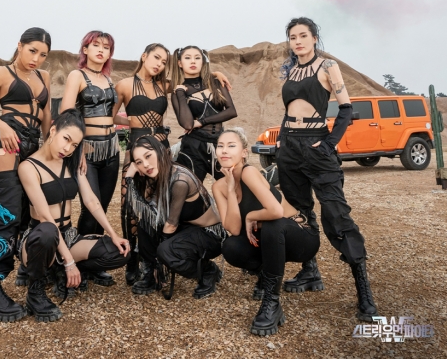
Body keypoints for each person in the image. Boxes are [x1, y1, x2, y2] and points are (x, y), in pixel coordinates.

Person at [276, 17, 378, 321]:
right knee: (298, 212)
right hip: (289, 147)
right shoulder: (290, 70)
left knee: (336, 214)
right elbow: (289, 110)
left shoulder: (327, 66)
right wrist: (282, 141)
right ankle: (310, 271)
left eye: (303, 35)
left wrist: (330, 143)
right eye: (293, 37)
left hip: (317, 146)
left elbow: (346, 109)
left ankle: (364, 292)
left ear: (314, 38)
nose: (297, 41)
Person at [113, 44, 232, 285]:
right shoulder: (124, 84)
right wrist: (131, 122)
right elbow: (110, 115)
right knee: (131, 206)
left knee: (160, 201)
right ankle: (134, 262)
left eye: (163, 61)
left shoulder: (165, 85)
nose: (159, 64)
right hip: (137, 144)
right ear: (144, 56)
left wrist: (215, 73)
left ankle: (158, 261)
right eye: (156, 58)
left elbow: (192, 76)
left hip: (161, 146)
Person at [17, 109, 130, 322]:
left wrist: (113, 234)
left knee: (119, 252)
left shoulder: (71, 162)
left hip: (68, 235)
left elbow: (91, 201)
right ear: (53, 131)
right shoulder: (28, 167)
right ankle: (35, 292)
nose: (68, 149)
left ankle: (59, 271)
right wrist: (69, 262)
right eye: (66, 139)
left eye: (75, 145)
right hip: (39, 239)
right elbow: (45, 216)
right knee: (47, 232)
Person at [212, 128, 321, 336]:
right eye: (220, 146)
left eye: (231, 146)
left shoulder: (249, 172)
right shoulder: (219, 187)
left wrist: (250, 216)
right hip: (270, 242)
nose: (224, 151)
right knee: (231, 246)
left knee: (273, 224)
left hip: (301, 237)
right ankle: (265, 274)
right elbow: (233, 229)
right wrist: (230, 189)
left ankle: (272, 301)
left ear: (244, 152)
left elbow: (276, 211)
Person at [0, 27, 52, 322]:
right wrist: (3, 126)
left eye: (42, 54)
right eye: (32, 51)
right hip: (4, 142)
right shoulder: (1, 72)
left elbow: (46, 120)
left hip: (32, 146)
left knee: (28, 212)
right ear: (19, 46)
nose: (36, 59)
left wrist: (50, 148)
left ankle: (28, 272)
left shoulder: (44, 77)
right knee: (1, 215)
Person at [124, 135, 226, 299]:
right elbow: (144, 210)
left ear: (160, 152)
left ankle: (208, 271)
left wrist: (161, 255)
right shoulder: (159, 175)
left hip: (209, 234)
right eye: (139, 162)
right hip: (186, 227)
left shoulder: (180, 180)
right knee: (145, 223)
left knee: (166, 251)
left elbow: (170, 225)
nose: (146, 165)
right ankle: (152, 273)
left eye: (148, 156)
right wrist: (130, 179)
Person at [60, 30, 120, 286]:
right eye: (96, 45)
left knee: (102, 207)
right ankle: (78, 264)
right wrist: (79, 147)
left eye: (106, 47)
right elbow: (66, 113)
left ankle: (95, 264)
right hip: (88, 151)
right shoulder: (77, 75)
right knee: (90, 206)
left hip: (112, 149)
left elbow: (111, 116)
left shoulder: (107, 79)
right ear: (85, 49)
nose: (101, 50)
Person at [171, 45, 237, 183]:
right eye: (187, 58)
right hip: (193, 147)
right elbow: (187, 124)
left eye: (197, 58)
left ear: (203, 61)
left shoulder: (216, 83)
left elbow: (231, 111)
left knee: (234, 185)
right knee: (191, 190)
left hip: (219, 144)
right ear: (180, 63)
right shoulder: (178, 92)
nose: (193, 61)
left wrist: (202, 121)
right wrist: (181, 93)